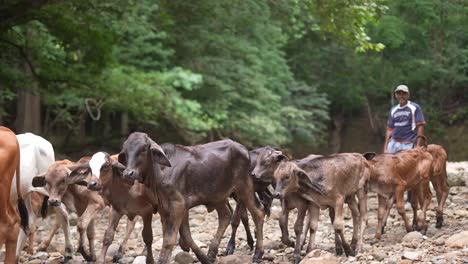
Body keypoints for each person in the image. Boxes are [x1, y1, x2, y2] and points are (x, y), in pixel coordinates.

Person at [383, 84, 425, 154]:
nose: (401, 96)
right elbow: (389, 129)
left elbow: (420, 126)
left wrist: (418, 146)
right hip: (393, 144)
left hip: (408, 145)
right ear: (396, 95)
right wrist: (385, 148)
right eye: (399, 94)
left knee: (408, 165)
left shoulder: (414, 107)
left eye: (404, 94)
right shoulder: (393, 109)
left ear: (408, 95)